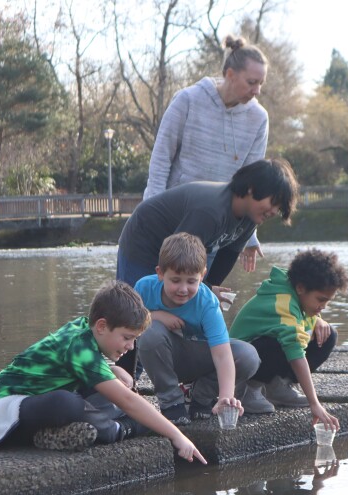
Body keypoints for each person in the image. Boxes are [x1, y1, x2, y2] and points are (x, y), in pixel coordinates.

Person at [0, 281, 206, 464]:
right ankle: (117, 430)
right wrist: (177, 435)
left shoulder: (84, 330)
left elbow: (83, 368)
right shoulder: (79, 347)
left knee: (111, 399)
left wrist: (112, 368)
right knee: (69, 404)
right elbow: (128, 400)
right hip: (6, 410)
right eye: (127, 338)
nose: (131, 347)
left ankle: (70, 432)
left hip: (35, 402)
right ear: (102, 326)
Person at [115, 158, 298, 378]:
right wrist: (200, 287)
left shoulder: (249, 220)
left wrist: (209, 287)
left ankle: (180, 377)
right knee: (133, 313)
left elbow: (227, 254)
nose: (274, 211)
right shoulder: (210, 211)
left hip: (177, 247)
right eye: (274, 202)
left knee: (187, 304)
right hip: (143, 242)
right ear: (252, 189)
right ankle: (125, 382)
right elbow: (181, 254)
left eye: (279, 207)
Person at [144, 35, 269, 273]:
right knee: (148, 298)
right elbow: (161, 160)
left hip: (213, 228)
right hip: (171, 218)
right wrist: (149, 214)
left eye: (261, 83)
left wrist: (249, 235)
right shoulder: (187, 100)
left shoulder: (259, 118)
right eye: (252, 82)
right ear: (230, 75)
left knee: (193, 299)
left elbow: (253, 184)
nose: (257, 91)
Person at [135, 233, 258, 424]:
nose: (183, 289)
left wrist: (226, 396)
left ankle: (201, 397)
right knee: (150, 331)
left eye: (191, 281)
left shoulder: (207, 301)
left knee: (248, 356)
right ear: (160, 273)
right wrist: (154, 316)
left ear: (202, 276)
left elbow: (222, 354)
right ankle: (171, 402)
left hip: (201, 358)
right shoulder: (144, 288)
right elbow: (126, 326)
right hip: (166, 358)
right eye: (175, 280)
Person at [229, 249, 348, 431]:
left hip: (265, 350)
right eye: (320, 300)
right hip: (240, 365)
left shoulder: (297, 296)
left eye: (327, 302)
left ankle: (279, 388)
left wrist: (317, 319)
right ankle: (249, 391)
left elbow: (301, 324)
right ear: (301, 288)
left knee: (328, 335)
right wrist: (314, 403)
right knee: (277, 344)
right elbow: (296, 354)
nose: (323, 306)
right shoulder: (282, 303)